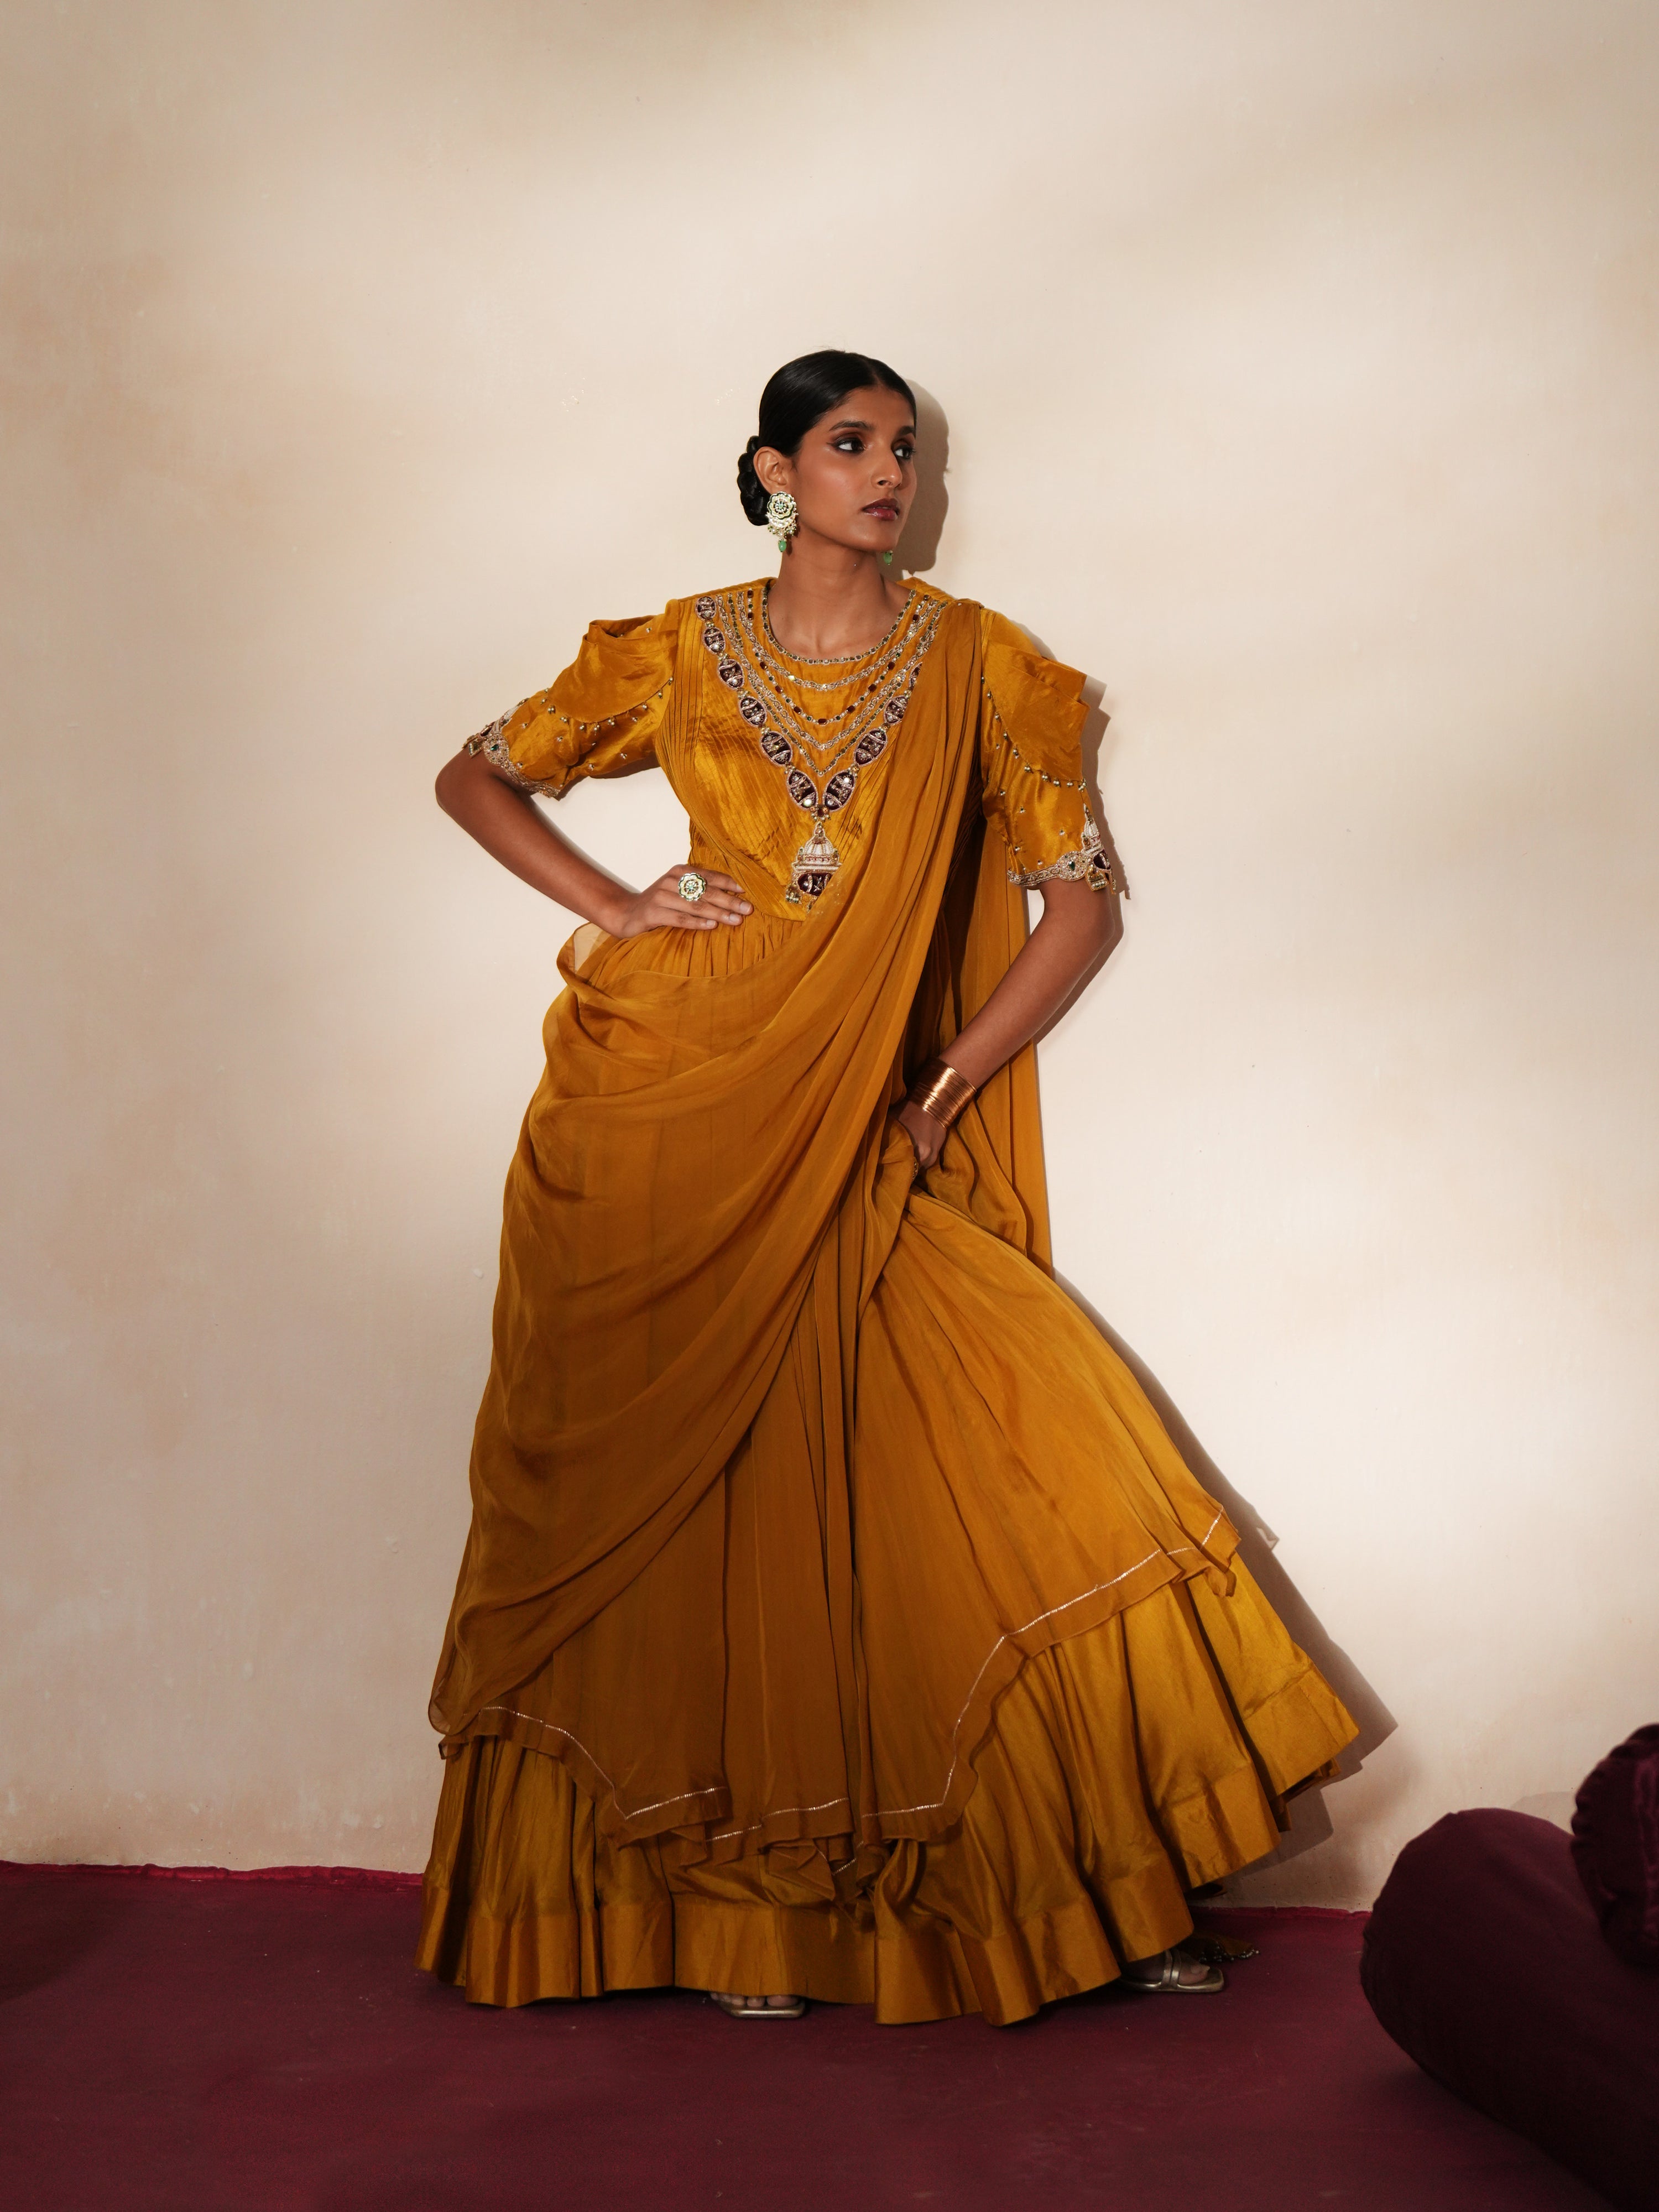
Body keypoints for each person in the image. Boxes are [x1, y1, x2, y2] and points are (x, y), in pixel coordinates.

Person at [416, 349, 1357, 2025]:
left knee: (1020, 1458)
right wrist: (622, 910)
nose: (889, 475)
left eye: (906, 449)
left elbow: (1080, 903)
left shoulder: (985, 666)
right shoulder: (673, 651)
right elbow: (474, 774)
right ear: (774, 470)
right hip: (663, 1115)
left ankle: (1089, 1886)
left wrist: (945, 1090)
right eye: (850, 444)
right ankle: (715, 1918)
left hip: (860, 1118)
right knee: (690, 1512)